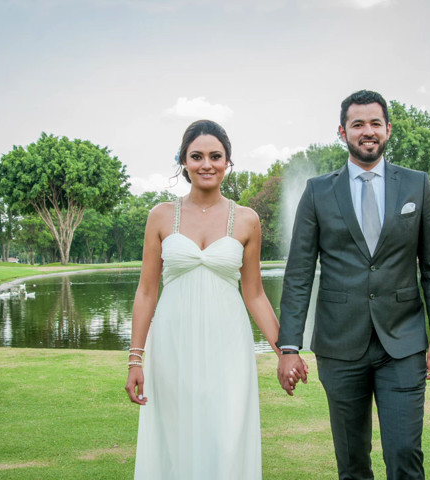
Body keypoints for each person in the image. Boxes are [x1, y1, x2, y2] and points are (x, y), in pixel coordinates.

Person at [276, 90, 430, 480]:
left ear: (388, 129)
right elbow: (299, 275)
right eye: (358, 124)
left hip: (403, 344)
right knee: (353, 464)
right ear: (343, 132)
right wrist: (288, 347)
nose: (367, 131)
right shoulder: (318, 191)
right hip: (340, 347)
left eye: (375, 123)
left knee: (405, 454)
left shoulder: (416, 185)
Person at [124, 119, 308, 479]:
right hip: (173, 343)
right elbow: (147, 291)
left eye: (215, 156)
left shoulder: (247, 219)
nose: (206, 164)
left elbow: (254, 294)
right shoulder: (160, 216)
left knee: (226, 434)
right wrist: (135, 360)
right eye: (196, 156)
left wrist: (285, 351)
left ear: (227, 162)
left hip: (228, 344)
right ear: (183, 161)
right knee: (173, 436)